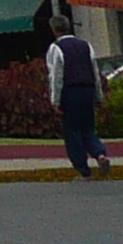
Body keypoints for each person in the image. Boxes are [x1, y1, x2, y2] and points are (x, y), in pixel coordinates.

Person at [47, 20, 109, 178]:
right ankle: (100, 154)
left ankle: (83, 169)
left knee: (72, 131)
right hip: (87, 90)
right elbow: (95, 72)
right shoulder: (86, 45)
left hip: (70, 92)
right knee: (88, 128)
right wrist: (98, 95)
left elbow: (56, 76)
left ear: (55, 30)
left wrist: (55, 100)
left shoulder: (56, 48)